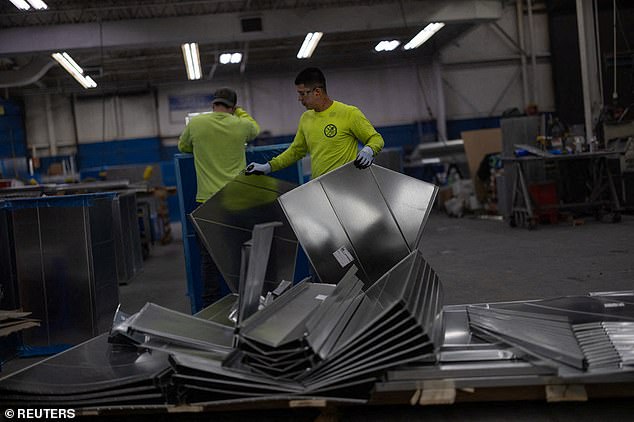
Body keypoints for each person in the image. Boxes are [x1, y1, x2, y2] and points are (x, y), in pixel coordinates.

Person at [178, 87, 260, 307]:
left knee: (209, 258)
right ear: (232, 107)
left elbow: (183, 146)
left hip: (208, 202)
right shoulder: (241, 124)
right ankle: (247, 303)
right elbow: (255, 130)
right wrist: (240, 113)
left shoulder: (196, 124)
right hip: (237, 200)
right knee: (243, 252)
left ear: (213, 104)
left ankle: (210, 305)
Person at [245, 67, 384, 178]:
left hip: (347, 187)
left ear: (317, 92)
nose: (299, 99)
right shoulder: (306, 118)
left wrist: (369, 149)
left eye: (302, 93)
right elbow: (296, 151)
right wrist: (268, 167)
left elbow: (376, 139)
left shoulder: (349, 113)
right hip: (320, 189)